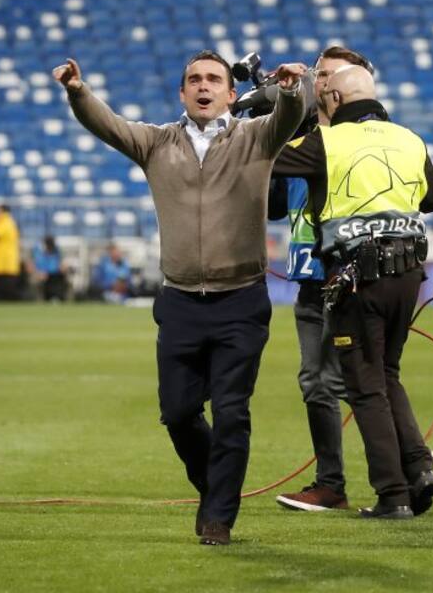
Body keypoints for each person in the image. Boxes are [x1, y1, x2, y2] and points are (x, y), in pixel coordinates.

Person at [53, 49, 308, 546]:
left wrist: (295, 88)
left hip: (241, 302)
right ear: (183, 92)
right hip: (180, 302)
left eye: (214, 78)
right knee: (177, 412)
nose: (204, 86)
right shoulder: (156, 143)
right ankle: (214, 486)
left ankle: (218, 516)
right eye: (194, 79)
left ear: (231, 94)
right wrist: (78, 92)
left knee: (233, 412)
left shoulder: (257, 137)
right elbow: (107, 125)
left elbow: (291, 113)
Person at [272, 52, 433, 520]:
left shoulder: (327, 142)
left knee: (365, 385)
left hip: (356, 275)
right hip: (409, 274)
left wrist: (277, 110)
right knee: (387, 373)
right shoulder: (410, 138)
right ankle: (417, 469)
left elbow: (267, 161)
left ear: (332, 96)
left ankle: (392, 495)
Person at [271, 47, 375, 514]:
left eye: (330, 74)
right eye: (319, 73)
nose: (322, 82)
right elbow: (276, 204)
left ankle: (406, 463)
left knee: (366, 381)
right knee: (319, 382)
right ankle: (333, 483)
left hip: (353, 276)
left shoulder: (368, 139)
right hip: (311, 279)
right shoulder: (305, 137)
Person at [32, 236, 69, 302]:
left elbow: (63, 265)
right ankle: (48, 298)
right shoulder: (39, 253)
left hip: (56, 277)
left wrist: (63, 268)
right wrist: (38, 273)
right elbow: (35, 267)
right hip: (45, 278)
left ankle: (59, 298)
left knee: (60, 279)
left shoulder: (57, 252)